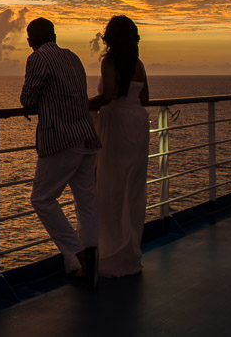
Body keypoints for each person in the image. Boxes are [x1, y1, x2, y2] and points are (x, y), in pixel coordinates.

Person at [20, 17, 101, 288]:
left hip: (62, 138)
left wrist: (37, 103)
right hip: (87, 137)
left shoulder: (38, 58)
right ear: (54, 35)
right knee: (86, 202)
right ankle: (92, 263)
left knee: (42, 199)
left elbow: (28, 99)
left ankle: (78, 255)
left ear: (31, 41)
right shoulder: (73, 57)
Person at [89, 15, 149, 277]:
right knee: (132, 187)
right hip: (138, 123)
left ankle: (111, 256)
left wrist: (84, 103)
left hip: (117, 125)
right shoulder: (138, 64)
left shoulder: (109, 62)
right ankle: (130, 254)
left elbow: (109, 95)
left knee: (111, 187)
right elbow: (146, 98)